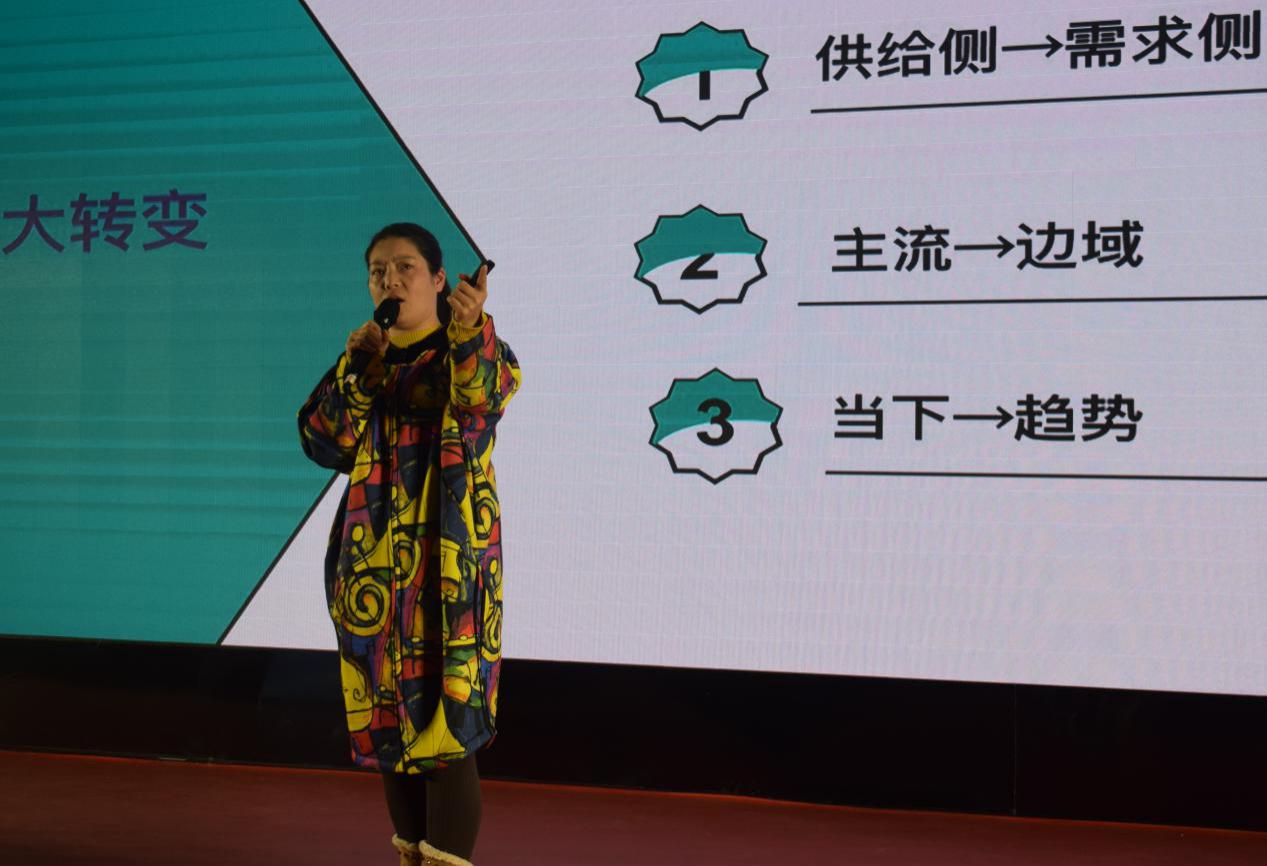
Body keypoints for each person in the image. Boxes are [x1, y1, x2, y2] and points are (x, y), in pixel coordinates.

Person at [296, 222, 521, 866]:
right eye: (377, 272)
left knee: (446, 729)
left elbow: (481, 400)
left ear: (439, 279)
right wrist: (354, 371)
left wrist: (471, 329)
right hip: (371, 570)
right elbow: (322, 442)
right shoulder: (367, 361)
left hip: (448, 570)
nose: (389, 281)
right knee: (389, 728)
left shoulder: (466, 350)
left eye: (405, 268)